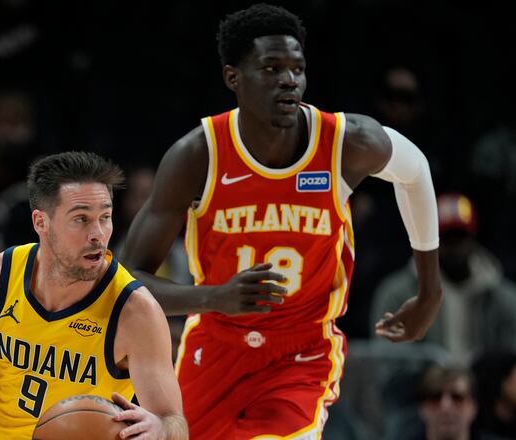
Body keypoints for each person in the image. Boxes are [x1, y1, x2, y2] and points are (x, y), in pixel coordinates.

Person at [122, 3, 442, 438]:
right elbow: (130, 282)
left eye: (297, 68)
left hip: (302, 350)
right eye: (271, 68)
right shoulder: (198, 155)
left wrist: (429, 291)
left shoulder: (345, 142)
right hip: (216, 345)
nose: (289, 80)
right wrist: (215, 297)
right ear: (233, 77)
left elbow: (415, 170)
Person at [0, 151, 187, 439]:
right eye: (81, 219)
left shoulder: (135, 310)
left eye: (105, 217)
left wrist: (161, 429)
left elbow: (174, 421)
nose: (98, 234)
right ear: (41, 222)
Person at [372, 193, 516, 363]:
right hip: (421, 388)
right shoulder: (397, 292)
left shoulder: (503, 297)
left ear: (473, 239)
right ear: (431, 241)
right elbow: (384, 356)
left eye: (460, 237)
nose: (455, 247)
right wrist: (428, 375)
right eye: (446, 239)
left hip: (485, 387)